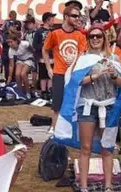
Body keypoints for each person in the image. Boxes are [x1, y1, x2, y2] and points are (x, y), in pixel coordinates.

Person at [76, 26, 121, 192]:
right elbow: (76, 81)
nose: (95, 39)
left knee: (107, 148)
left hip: (109, 106)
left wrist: (113, 75)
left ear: (104, 38)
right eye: (92, 36)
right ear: (88, 39)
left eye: (99, 36)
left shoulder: (113, 58)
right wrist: (94, 76)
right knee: (86, 148)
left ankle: (108, 187)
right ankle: (84, 188)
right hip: (88, 106)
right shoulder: (82, 59)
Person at [43, 5, 86, 133]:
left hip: (74, 74)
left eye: (78, 16)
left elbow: (82, 54)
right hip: (59, 73)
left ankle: (72, 131)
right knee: (57, 105)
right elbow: (45, 50)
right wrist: (48, 68)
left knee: (75, 104)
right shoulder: (55, 33)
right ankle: (55, 130)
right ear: (66, 17)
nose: (77, 18)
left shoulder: (80, 35)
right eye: (74, 16)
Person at [33, 12, 54, 100]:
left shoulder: (53, 31)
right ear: (47, 20)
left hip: (52, 57)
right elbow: (34, 44)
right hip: (42, 57)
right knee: (42, 75)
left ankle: (49, 90)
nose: (53, 21)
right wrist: (43, 49)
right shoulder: (39, 31)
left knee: (50, 75)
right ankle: (43, 91)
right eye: (52, 20)